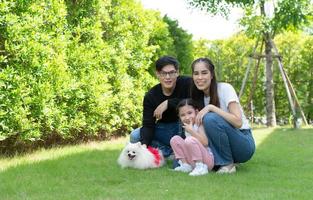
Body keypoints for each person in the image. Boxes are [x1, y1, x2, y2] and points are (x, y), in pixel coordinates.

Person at [190, 57, 255, 174]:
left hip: (243, 143)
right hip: (221, 146)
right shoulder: (198, 98)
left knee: (210, 118)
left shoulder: (225, 88)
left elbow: (238, 122)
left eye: (204, 73)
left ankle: (227, 164)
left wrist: (211, 108)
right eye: (196, 74)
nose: (200, 77)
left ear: (212, 75)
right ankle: (224, 161)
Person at [130, 56, 191, 158]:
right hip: (164, 129)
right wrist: (144, 145)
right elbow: (148, 125)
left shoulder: (187, 83)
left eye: (171, 73)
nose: (168, 77)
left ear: (177, 72)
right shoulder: (151, 96)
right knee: (135, 136)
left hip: (184, 127)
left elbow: (195, 102)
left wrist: (169, 102)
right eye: (163, 73)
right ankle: (169, 151)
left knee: (186, 116)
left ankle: (179, 150)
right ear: (157, 74)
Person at [170, 98, 214, 176]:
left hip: (206, 161)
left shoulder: (199, 124)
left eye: (190, 113)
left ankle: (200, 167)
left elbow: (205, 143)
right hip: (192, 160)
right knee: (175, 139)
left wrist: (192, 131)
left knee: (189, 140)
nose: (187, 117)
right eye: (182, 115)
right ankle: (185, 165)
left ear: (196, 112)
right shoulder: (186, 127)